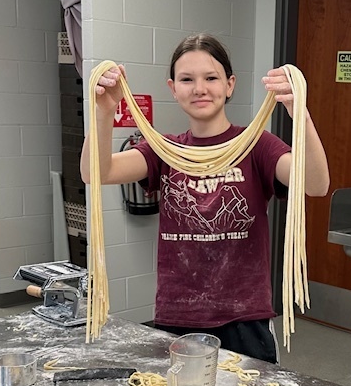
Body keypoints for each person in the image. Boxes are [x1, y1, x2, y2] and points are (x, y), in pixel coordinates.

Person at [80, 33, 330, 363]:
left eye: (211, 78)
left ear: (230, 84)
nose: (199, 88)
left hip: (245, 319)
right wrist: (103, 111)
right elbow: (97, 172)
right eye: (187, 79)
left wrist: (301, 115)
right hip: (177, 316)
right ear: (173, 88)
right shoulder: (164, 150)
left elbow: (315, 183)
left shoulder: (257, 146)